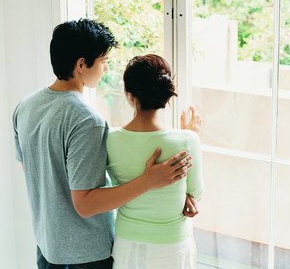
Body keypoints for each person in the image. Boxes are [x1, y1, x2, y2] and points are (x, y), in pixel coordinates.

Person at [13, 19, 192, 269]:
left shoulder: (26, 106)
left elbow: (31, 169)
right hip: (85, 255)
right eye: (103, 61)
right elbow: (85, 205)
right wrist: (149, 181)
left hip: (47, 246)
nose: (105, 69)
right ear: (81, 65)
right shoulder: (86, 120)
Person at [107, 54, 204, 269]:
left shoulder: (110, 140)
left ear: (129, 95)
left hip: (128, 245)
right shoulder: (187, 139)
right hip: (174, 246)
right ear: (165, 96)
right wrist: (187, 136)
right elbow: (195, 194)